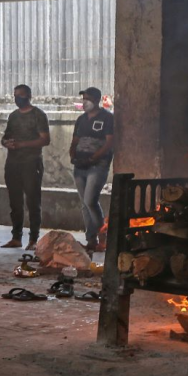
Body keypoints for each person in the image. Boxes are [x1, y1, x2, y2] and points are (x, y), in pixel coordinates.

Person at [0, 84, 50, 250]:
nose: (17, 99)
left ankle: (34, 238)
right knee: (15, 202)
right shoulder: (13, 116)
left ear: (28, 96)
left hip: (31, 163)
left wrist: (22, 144)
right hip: (13, 163)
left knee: (33, 201)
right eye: (15, 95)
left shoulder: (38, 115)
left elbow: (45, 139)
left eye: (20, 95)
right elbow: (5, 137)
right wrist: (7, 143)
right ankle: (16, 237)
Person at [70, 87, 115, 254]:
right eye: (83, 98)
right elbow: (75, 140)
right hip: (80, 166)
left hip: (98, 166)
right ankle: (91, 240)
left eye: (87, 98)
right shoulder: (81, 119)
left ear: (97, 100)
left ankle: (102, 235)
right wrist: (72, 154)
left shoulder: (107, 118)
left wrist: (95, 157)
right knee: (84, 204)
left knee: (90, 200)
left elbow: (109, 142)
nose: (84, 102)